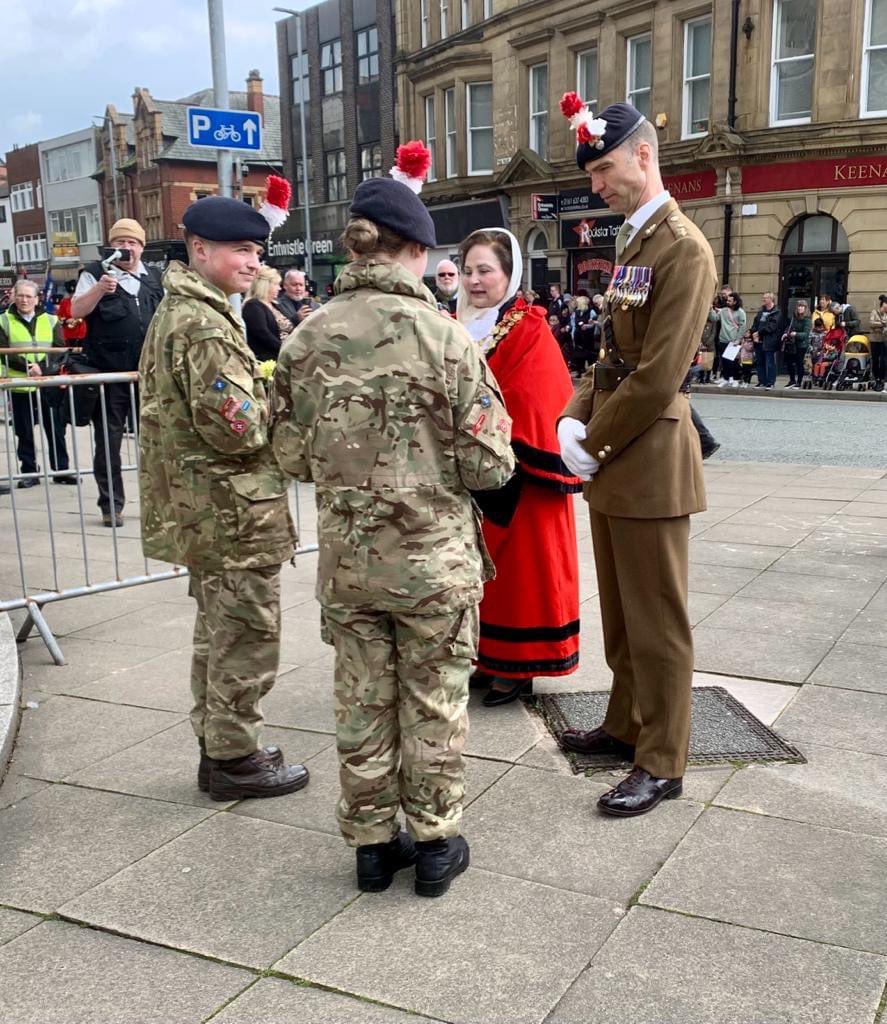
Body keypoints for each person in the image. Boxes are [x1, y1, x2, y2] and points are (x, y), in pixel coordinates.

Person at [271, 143, 514, 897]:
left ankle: (372, 846)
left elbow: (285, 451)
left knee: (362, 700)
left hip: (349, 564)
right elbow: (490, 465)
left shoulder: (306, 336)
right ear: (415, 250)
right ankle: (436, 844)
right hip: (433, 564)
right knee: (434, 698)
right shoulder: (445, 337)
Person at [555, 94, 716, 817]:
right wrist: (568, 417)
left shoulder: (682, 247)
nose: (597, 185)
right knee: (620, 617)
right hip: (618, 457)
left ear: (644, 156)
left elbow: (657, 375)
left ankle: (663, 759)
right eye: (591, 174)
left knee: (656, 623)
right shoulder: (632, 243)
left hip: (649, 460)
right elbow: (607, 359)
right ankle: (625, 725)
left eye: (606, 169)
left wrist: (594, 439)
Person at [138, 186, 309, 803]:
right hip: (231, 513)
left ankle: (221, 749)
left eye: (256, 250)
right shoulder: (205, 325)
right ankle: (236, 757)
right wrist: (280, 404)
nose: (253, 261)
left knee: (218, 634)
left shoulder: (187, 311)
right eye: (240, 249)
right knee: (244, 635)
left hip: (209, 509)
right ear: (199, 248)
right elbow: (239, 430)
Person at [457, 228, 581, 706]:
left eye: (485, 270)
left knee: (522, 574)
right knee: (483, 576)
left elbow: (537, 396)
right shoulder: (456, 322)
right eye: (468, 271)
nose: (474, 280)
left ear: (509, 274)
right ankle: (488, 660)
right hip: (474, 471)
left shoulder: (529, 326)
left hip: (522, 475)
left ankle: (520, 667)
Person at [71, 218, 163, 527]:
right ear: (111, 246)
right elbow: (76, 311)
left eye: (132, 243)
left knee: (155, 443)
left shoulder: (154, 278)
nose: (126, 249)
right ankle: (111, 506)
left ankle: (158, 503)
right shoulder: (95, 273)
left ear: (142, 247)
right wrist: (99, 289)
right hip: (109, 376)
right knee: (108, 444)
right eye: (120, 243)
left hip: (147, 376)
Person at [0, 280, 75, 488]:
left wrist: (42, 367)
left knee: (56, 429)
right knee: (24, 431)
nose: (24, 300)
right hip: (20, 384)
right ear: (14, 296)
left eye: (29, 296)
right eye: (21, 295)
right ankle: (29, 472)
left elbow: (60, 350)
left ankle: (62, 470)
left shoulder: (51, 320)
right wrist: (28, 367)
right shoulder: (3, 321)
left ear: (37, 298)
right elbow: (4, 350)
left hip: (47, 382)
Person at [242, 265, 291, 362]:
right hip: (269, 360)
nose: (279, 288)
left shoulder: (275, 305)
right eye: (276, 284)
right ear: (265, 285)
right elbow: (263, 335)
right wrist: (286, 350)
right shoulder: (253, 306)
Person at [750, 292, 785, 389]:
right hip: (758, 341)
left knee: (769, 362)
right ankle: (761, 381)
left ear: (771, 299)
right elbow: (755, 323)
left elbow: (772, 327)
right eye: (763, 298)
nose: (763, 300)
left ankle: (770, 382)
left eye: (765, 298)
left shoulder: (776, 312)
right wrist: (753, 332)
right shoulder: (760, 312)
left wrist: (759, 333)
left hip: (769, 341)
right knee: (759, 362)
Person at [713, 291, 747, 388]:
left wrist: (738, 339)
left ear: (735, 302)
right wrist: (710, 310)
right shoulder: (723, 311)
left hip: (733, 340)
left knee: (732, 361)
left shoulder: (741, 312)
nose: (727, 302)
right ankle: (727, 378)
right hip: (723, 339)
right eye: (727, 300)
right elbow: (715, 318)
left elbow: (742, 327)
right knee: (724, 361)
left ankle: (736, 379)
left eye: (730, 301)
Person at [782, 300, 812, 389]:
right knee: (789, 362)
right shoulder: (794, 318)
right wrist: (786, 333)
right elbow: (789, 328)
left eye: (802, 306)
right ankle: (792, 380)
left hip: (801, 345)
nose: (800, 308)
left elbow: (806, 334)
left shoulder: (807, 320)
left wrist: (796, 334)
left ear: (805, 308)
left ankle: (799, 382)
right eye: (799, 306)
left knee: (799, 363)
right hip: (792, 344)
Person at [55, 280, 87, 347]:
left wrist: (77, 319)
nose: (73, 295)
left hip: (82, 333)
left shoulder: (84, 300)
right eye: (71, 293)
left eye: (74, 293)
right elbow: (59, 317)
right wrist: (66, 320)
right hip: (69, 334)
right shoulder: (64, 302)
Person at [868, 293, 887, 391]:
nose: (885, 309)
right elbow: (871, 323)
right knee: (875, 359)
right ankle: (876, 378)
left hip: (884, 340)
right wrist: (882, 324)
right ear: (882, 305)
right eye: (884, 307)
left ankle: (882, 378)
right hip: (875, 339)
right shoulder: (874, 312)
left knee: (883, 360)